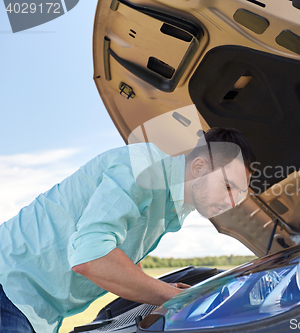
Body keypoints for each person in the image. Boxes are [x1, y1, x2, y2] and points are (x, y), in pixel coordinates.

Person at [0, 127, 256, 333]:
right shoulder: (143, 168)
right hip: (11, 284)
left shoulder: (169, 202)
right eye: (228, 187)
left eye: (240, 195)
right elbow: (92, 257)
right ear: (199, 167)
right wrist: (175, 297)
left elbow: (120, 252)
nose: (231, 203)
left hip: (36, 307)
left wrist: (157, 288)